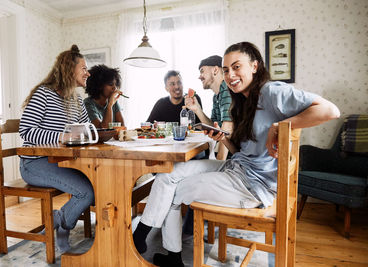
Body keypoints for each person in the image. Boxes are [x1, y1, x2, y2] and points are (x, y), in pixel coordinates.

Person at [133, 42, 340, 267]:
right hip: (237, 168)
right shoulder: (242, 100)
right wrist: (223, 139)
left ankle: (156, 247)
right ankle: (153, 242)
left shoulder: (271, 91)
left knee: (172, 192)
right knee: (168, 175)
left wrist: (280, 125)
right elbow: (240, 153)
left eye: (236, 67)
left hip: (252, 185)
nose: (230, 75)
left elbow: (330, 110)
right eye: (226, 70)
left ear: (254, 66)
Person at [19, 45, 94, 253]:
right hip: (34, 163)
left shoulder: (76, 99)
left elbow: (87, 129)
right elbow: (26, 130)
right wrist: (63, 137)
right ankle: (63, 228)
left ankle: (59, 219)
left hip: (59, 162)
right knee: (85, 192)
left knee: (96, 185)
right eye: (84, 68)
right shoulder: (44, 94)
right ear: (69, 70)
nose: (88, 73)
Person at [185, 55, 233, 160]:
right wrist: (197, 109)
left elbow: (227, 129)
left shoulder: (226, 88)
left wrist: (219, 165)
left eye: (202, 71)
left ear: (215, 70)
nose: (199, 76)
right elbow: (215, 128)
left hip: (235, 155)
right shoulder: (216, 96)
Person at [84, 64, 125, 128]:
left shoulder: (113, 101)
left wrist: (111, 103)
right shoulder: (88, 104)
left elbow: (122, 127)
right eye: (110, 84)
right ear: (99, 85)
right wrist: (109, 106)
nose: (115, 88)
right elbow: (103, 129)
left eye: (116, 84)